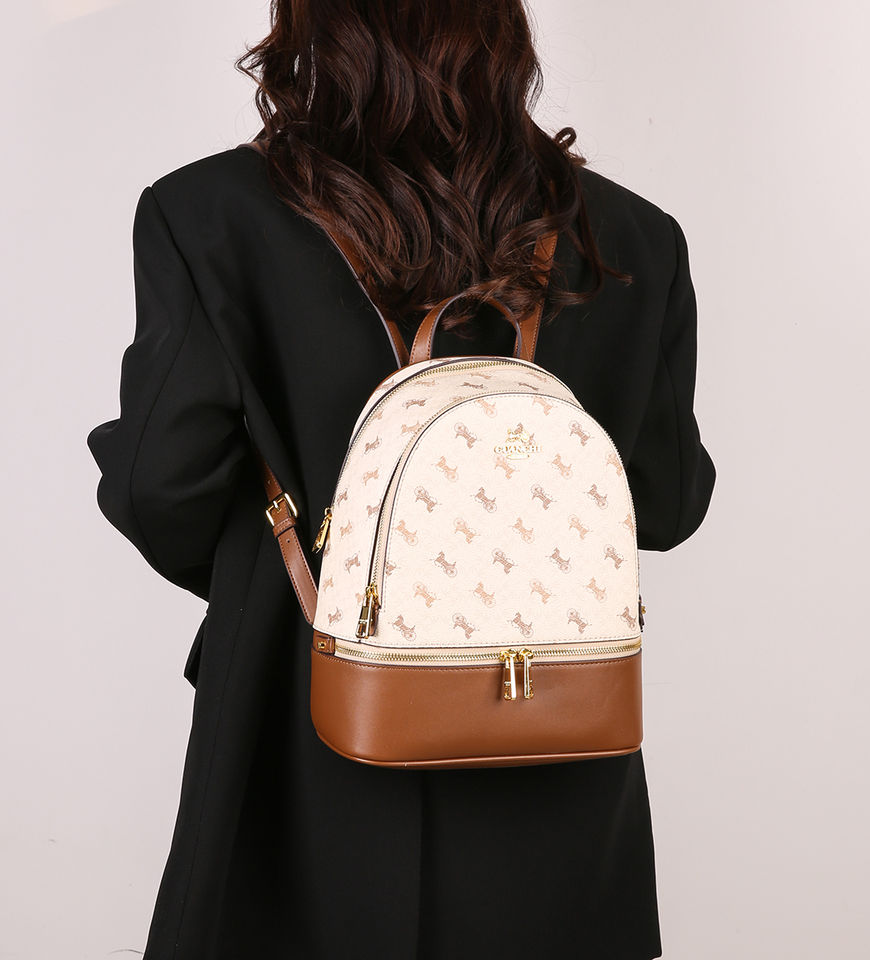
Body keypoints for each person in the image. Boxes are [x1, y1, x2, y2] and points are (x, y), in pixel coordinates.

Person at [87, 2, 716, 957]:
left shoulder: (209, 214)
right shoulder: (633, 236)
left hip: (299, 737)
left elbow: (159, 488)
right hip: (551, 739)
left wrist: (310, 560)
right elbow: (667, 505)